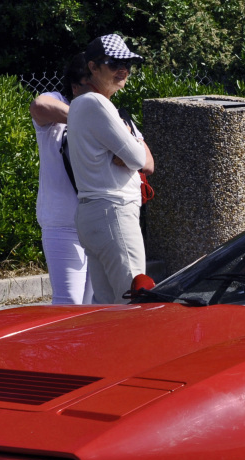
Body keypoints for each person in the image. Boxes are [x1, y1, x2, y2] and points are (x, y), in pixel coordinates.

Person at [66, 34, 155, 304]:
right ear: (92, 67)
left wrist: (127, 151)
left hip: (94, 212)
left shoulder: (80, 104)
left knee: (106, 309)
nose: (123, 69)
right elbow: (140, 158)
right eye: (114, 62)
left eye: (127, 63)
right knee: (135, 301)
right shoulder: (97, 103)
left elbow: (133, 158)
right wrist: (133, 143)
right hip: (113, 211)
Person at [30, 54, 95, 305]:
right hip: (62, 223)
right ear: (75, 86)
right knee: (69, 305)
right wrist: (88, 119)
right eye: (90, 87)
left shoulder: (110, 111)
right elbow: (38, 106)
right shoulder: (58, 102)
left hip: (97, 222)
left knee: (96, 308)